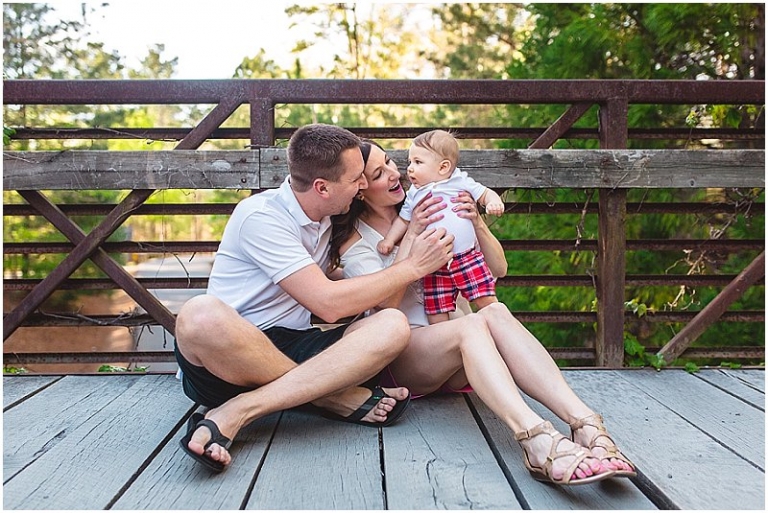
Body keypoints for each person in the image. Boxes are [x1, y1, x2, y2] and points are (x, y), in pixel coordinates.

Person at [329, 140, 636, 486]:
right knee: (473, 324)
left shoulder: (437, 200)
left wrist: (477, 223)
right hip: (406, 360)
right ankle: (535, 437)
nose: (395, 174)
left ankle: (585, 424)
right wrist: (412, 236)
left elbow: (499, 269)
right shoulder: (357, 242)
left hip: (460, 353)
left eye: (390, 163)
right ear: (359, 189)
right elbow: (383, 310)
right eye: (378, 173)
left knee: (496, 311)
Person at [173, 124, 455, 472]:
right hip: (231, 357)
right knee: (198, 314)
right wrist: (412, 267)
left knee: (392, 324)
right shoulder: (261, 216)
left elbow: (323, 283)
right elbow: (328, 304)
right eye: (356, 179)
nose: (363, 185)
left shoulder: (325, 218)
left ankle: (246, 408)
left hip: (297, 345)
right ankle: (329, 396)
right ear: (322, 187)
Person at [377, 130, 505, 324]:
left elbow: (486, 193)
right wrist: (389, 240)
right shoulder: (414, 193)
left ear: (443, 167)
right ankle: (445, 336)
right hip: (434, 263)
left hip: (466, 257)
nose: (410, 168)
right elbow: (403, 221)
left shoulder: (459, 182)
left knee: (488, 302)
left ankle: (501, 331)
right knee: (436, 312)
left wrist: (493, 203)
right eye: (410, 162)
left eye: (418, 162)